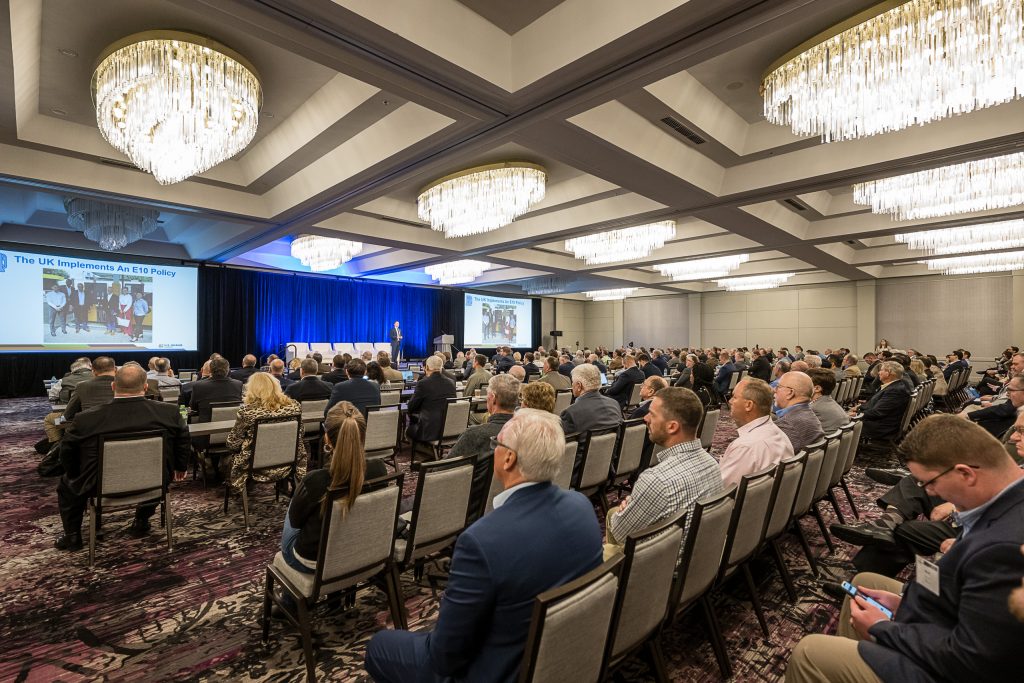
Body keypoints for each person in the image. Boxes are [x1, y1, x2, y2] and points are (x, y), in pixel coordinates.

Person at [365, 409, 603, 682]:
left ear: (509, 458)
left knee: (379, 646)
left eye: (496, 445)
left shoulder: (481, 541)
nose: (495, 450)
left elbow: (443, 657)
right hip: (560, 655)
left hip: (497, 671)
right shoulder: (581, 507)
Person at [786, 414, 1024, 682]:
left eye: (929, 482)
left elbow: (970, 659)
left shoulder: (1004, 547)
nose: (930, 492)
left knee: (810, 651)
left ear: (965, 474)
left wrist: (883, 628)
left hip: (949, 668)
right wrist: (906, 602)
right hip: (946, 616)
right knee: (864, 582)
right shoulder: (1006, 504)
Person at [54, 363, 189, 550]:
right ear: (145, 387)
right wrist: (181, 467)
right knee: (161, 473)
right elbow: (183, 441)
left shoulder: (85, 419)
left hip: (97, 485)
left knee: (66, 485)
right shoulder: (170, 413)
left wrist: (76, 474)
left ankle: (73, 537)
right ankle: (141, 521)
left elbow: (67, 454)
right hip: (155, 481)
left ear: (113, 387)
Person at [275, 401, 386, 614]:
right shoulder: (379, 468)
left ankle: (291, 600)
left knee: (293, 512)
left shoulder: (315, 481)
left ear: (326, 437)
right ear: (362, 433)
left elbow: (296, 523)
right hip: (362, 548)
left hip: (313, 561)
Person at [605, 387, 722, 558]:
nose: (645, 418)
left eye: (652, 414)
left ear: (672, 426)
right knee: (614, 513)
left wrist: (631, 506)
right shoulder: (712, 464)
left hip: (660, 573)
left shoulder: (656, 479)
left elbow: (621, 532)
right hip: (698, 561)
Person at [224, 372, 307, 493]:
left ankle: (239, 491)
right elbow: (302, 432)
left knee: (227, 460)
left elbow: (232, 443)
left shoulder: (248, 411)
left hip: (254, 467)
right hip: (289, 463)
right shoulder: (294, 406)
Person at [719, 378, 794, 487]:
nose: (730, 401)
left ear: (748, 405)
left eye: (734, 397)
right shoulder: (778, 433)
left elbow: (721, 491)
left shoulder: (746, 446)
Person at [406, 354, 457, 447]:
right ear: (441, 367)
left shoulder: (423, 383)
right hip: (449, 428)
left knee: (408, 431)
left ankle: (424, 452)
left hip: (430, 430)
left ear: (427, 367)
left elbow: (411, 407)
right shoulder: (451, 382)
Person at [853, 361, 912, 441]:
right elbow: (876, 404)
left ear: (888, 373)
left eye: (881, 370)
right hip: (883, 423)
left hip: (881, 428)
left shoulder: (895, 391)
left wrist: (856, 414)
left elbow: (878, 413)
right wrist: (860, 407)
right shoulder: (895, 385)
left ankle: (847, 452)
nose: (879, 372)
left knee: (842, 425)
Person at [560, 363, 623, 437]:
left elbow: (562, 443)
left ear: (579, 386)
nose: (572, 385)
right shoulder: (614, 404)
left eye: (572, 382)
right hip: (613, 448)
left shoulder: (570, 413)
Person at [773, 371, 825, 453]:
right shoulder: (808, 414)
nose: (774, 390)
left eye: (778, 387)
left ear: (790, 393)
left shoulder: (787, 424)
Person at [62, 356, 118, 423]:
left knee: (49, 419)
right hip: (121, 427)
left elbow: (67, 415)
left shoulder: (81, 386)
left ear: (93, 371)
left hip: (90, 429)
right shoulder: (124, 384)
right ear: (115, 369)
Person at [190, 356, 245, 422]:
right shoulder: (238, 384)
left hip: (206, 427)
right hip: (232, 424)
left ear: (210, 370)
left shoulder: (198, 386)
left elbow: (193, 407)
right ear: (228, 370)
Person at [807, 368, 850, 433]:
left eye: (803, 383)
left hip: (824, 441)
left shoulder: (813, 409)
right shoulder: (828, 401)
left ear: (817, 388)